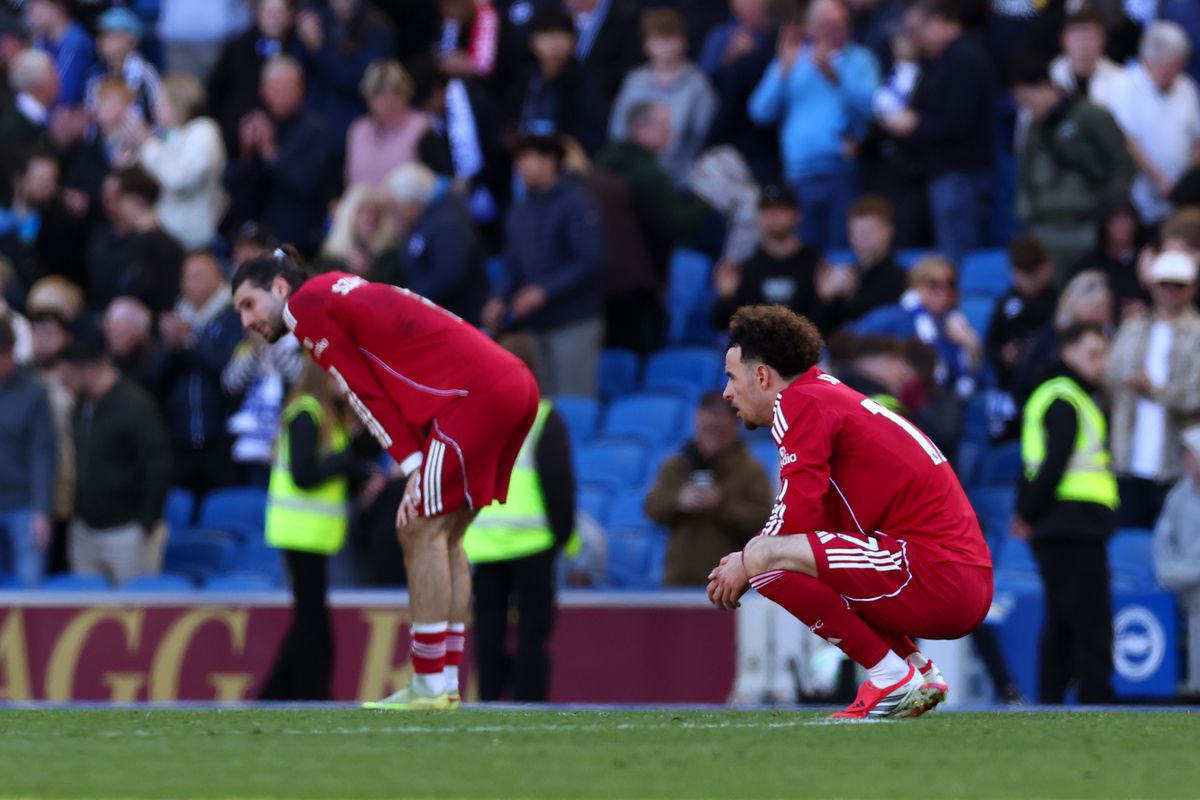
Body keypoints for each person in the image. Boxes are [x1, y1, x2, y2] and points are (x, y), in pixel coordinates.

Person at [231, 247, 540, 710]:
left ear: (279, 288)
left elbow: (361, 391)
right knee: (447, 535)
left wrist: (413, 465)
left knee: (419, 528)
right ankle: (447, 684)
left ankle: (430, 685)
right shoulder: (335, 287)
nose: (246, 321)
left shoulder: (304, 307)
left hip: (473, 395)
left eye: (248, 304)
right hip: (509, 384)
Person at [706, 305, 992, 719]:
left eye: (732, 377)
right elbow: (813, 520)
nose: (727, 392)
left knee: (768, 563)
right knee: (777, 555)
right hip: (956, 575)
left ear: (763, 376)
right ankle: (917, 671)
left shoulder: (797, 403)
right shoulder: (825, 393)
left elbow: (795, 517)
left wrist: (746, 560)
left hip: (931, 571)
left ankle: (889, 676)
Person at [260, 359, 381, 700]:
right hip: (300, 533)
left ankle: (280, 694)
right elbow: (305, 474)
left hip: (313, 534)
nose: (345, 380)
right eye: (337, 374)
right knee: (313, 623)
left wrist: (359, 475)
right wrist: (350, 461)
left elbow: (336, 467)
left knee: (309, 620)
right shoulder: (306, 413)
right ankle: (310, 692)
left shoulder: (330, 417)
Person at [464, 334, 575, 702]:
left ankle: (489, 703)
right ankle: (530, 706)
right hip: (533, 543)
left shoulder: (476, 417)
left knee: (489, 633)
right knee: (533, 632)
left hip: (485, 544)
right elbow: (559, 485)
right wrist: (561, 535)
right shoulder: (543, 416)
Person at [1013, 322, 1117, 705]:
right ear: (1068, 351)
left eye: (1104, 354)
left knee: (1062, 619)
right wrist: (1027, 511)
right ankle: (1097, 696)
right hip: (1072, 522)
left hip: (1062, 523)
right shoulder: (1066, 397)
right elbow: (1053, 465)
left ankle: (1050, 699)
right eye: (1093, 354)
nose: (1101, 363)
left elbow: (1035, 465)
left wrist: (1027, 513)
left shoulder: (1066, 394)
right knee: (1090, 620)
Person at [748, 0, 878, 249]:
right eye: (826, 25)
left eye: (841, 24)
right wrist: (782, 72)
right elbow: (760, 112)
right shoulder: (794, 59)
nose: (835, 31)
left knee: (842, 252)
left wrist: (836, 77)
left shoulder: (860, 58)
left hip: (843, 171)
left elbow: (875, 107)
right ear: (810, 27)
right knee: (805, 256)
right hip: (799, 174)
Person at [483, 135, 605, 397]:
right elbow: (512, 262)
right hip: (534, 324)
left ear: (550, 161)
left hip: (574, 321)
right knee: (540, 404)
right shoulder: (519, 210)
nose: (519, 167)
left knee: (573, 400)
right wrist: (498, 297)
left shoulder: (576, 201)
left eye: (527, 158)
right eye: (518, 160)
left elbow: (590, 261)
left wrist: (545, 291)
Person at [881, 0, 995, 265]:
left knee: (959, 260)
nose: (915, 39)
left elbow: (956, 122)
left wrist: (914, 124)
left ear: (939, 22)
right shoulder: (937, 62)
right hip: (946, 176)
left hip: (961, 177)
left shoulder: (965, 59)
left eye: (918, 30)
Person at [61, 321, 170, 586]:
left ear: (86, 370)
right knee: (84, 616)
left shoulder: (135, 406)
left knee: (134, 617)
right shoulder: (80, 407)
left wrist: (145, 524)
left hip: (127, 533)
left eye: (68, 375)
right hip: (85, 530)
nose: (64, 383)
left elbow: (158, 466)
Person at [1011, 56, 1135, 281]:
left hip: (1088, 224)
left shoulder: (1091, 116)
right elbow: (1026, 178)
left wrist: (1109, 213)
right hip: (1046, 228)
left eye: (1027, 99)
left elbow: (1122, 165)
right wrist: (1028, 217)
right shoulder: (1034, 129)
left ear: (1045, 86)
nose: (1027, 108)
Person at [1106, 251, 1200, 528]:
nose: (1170, 292)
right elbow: (1110, 379)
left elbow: (1195, 397)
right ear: (1152, 285)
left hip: (1175, 465)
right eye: (1164, 284)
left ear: (1193, 288)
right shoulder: (1133, 327)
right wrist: (1128, 383)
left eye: (1179, 285)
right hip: (1127, 457)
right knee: (1127, 542)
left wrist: (1155, 390)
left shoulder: (1197, 333)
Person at [645, 390, 773, 586]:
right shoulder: (676, 465)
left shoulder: (751, 470)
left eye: (719, 431)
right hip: (677, 579)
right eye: (707, 429)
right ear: (697, 421)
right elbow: (652, 508)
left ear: (734, 427)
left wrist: (721, 504)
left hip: (730, 583)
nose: (712, 438)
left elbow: (763, 520)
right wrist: (679, 501)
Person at [151, 251, 243, 501]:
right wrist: (170, 347)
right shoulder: (175, 319)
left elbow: (229, 371)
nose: (191, 282)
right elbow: (155, 379)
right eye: (187, 276)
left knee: (222, 511)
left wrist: (190, 342)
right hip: (180, 438)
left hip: (221, 440)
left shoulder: (234, 317)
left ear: (219, 279)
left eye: (199, 275)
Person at [223, 55, 337, 257]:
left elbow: (308, 184)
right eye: (276, 88)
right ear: (263, 90)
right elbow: (230, 184)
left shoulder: (317, 130)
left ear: (302, 90)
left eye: (288, 88)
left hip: (298, 237)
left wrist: (270, 152)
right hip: (252, 233)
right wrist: (246, 153)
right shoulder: (253, 122)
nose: (282, 94)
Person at [608, 8, 717, 186]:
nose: (665, 46)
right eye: (658, 39)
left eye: (671, 38)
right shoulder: (634, 81)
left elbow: (705, 139)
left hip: (679, 181)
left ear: (684, 41)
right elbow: (617, 131)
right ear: (646, 45)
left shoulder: (698, 86)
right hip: (632, 178)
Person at [1109, 21, 1200, 226]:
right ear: (1149, 60)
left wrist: (1187, 183)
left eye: (1179, 66)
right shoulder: (1123, 86)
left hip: (1182, 199)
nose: (1175, 73)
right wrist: (1161, 181)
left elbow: (1197, 138)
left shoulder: (1186, 86)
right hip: (1139, 197)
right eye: (1169, 67)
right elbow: (1126, 141)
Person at [854, 256, 982, 400]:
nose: (944, 291)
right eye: (934, 284)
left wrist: (972, 347)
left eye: (950, 284)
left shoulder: (956, 326)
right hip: (896, 397)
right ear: (916, 286)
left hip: (939, 403)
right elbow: (849, 343)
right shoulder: (893, 317)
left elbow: (965, 381)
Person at [131, 74, 228, 251]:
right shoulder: (171, 135)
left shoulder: (204, 132)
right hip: (168, 234)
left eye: (162, 102)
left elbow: (179, 180)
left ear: (180, 103)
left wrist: (147, 144)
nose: (155, 108)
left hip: (192, 241)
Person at [709, 184, 823, 331]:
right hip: (757, 350)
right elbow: (721, 325)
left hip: (804, 349)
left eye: (781, 209)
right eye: (767, 210)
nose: (774, 216)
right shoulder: (746, 267)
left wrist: (825, 300)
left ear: (798, 215)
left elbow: (827, 328)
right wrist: (726, 298)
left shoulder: (815, 262)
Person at [387, 163, 489, 327]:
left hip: (463, 318)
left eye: (396, 207)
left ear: (411, 203)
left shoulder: (448, 221)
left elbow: (451, 272)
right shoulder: (422, 222)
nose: (395, 214)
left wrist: (411, 296)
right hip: (440, 317)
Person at [984, 236, 1059, 442]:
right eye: (1021, 273)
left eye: (1032, 273)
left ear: (1046, 268)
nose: (1027, 280)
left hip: (1045, 388)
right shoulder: (1005, 303)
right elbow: (989, 349)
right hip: (1009, 390)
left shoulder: (1059, 304)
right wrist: (1003, 354)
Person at [506, 7, 609, 156]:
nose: (555, 45)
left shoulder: (588, 81)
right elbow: (508, 123)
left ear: (574, 41)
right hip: (524, 159)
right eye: (548, 36)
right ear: (532, 41)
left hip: (569, 161)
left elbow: (593, 133)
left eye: (562, 36)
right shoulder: (524, 78)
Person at [206, 0, 304, 155]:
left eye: (279, 12)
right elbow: (216, 94)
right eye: (268, 12)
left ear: (290, 15)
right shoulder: (237, 47)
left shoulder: (301, 47)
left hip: (292, 133)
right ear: (257, 13)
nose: (273, 18)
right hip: (239, 132)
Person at [0, 316, 55, 586]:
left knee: (29, 587)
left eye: (5, 355)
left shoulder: (33, 391)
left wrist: (41, 510)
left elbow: (42, 453)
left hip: (22, 504)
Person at [86, 166, 184, 317]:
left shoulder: (161, 243)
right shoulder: (107, 237)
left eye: (119, 199)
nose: (113, 206)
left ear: (138, 200)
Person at [294, 0, 396, 142]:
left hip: (353, 129)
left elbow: (359, 80)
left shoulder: (376, 28)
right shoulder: (318, 21)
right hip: (311, 126)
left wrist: (319, 48)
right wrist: (302, 35)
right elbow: (296, 70)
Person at [1153, 424, 1200, 699]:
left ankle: (1195, 686)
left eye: (1192, 454)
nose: (1188, 461)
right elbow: (1162, 542)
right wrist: (1169, 570)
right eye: (1186, 455)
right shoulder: (1177, 496)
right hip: (1182, 580)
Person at [816, 194, 908, 332]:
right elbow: (821, 333)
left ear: (888, 231)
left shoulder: (902, 278)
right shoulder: (843, 277)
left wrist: (853, 298)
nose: (863, 238)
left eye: (870, 231)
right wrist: (824, 299)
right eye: (856, 231)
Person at [222, 331, 303, 487]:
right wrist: (256, 352)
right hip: (251, 449)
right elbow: (230, 383)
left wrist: (273, 346)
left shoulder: (300, 343)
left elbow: (302, 376)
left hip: (284, 445)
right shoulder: (246, 346)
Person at [345, 60, 432, 190]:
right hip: (363, 207)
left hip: (408, 209)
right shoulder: (359, 130)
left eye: (395, 94)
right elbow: (349, 182)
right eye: (380, 95)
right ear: (368, 98)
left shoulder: (422, 127)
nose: (388, 102)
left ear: (407, 94)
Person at [85, 7, 161, 121]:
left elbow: (158, 117)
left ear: (130, 39)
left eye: (109, 33)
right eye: (101, 33)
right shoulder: (95, 74)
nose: (101, 39)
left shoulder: (144, 73)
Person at [318, 184, 399, 283]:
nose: (371, 218)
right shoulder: (331, 259)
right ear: (349, 216)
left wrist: (369, 275)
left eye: (376, 212)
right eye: (364, 212)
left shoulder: (389, 258)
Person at [24, 0, 93, 108]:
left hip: (71, 111)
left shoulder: (75, 42)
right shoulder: (42, 40)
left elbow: (65, 92)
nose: (32, 13)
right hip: (46, 108)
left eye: (38, 6)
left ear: (58, 8)